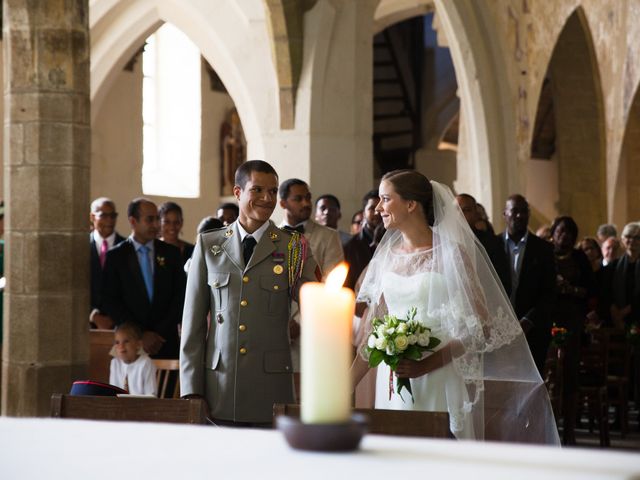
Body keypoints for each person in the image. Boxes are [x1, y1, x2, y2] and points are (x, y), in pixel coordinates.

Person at [350, 170, 558, 443]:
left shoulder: (451, 253)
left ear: (411, 204)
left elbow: (480, 326)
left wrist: (426, 365)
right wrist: (345, 386)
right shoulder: (386, 256)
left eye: (386, 199)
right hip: (394, 379)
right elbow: (371, 331)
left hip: (438, 374)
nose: (378, 208)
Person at [180, 160, 318, 426]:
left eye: (273, 191)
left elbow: (316, 303)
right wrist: (191, 389)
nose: (267, 199)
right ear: (238, 192)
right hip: (219, 386)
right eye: (257, 190)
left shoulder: (292, 247)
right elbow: (193, 323)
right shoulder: (210, 245)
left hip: (271, 388)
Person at [102, 198, 186, 358]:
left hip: (164, 342)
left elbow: (180, 296)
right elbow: (110, 300)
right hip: (131, 344)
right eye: (150, 219)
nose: (156, 225)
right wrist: (141, 334)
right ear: (133, 221)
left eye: (157, 219)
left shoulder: (171, 253)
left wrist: (157, 334)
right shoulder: (116, 256)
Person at [497, 194, 556, 375]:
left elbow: (549, 291)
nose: (519, 216)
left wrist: (528, 320)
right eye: (514, 211)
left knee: (530, 383)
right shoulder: (491, 245)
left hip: (533, 330)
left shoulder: (544, 249)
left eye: (524, 211)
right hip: (498, 328)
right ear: (505, 214)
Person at [549, 216, 596, 444]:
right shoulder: (545, 255)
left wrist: (571, 289)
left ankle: (569, 429)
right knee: (548, 374)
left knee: (569, 374)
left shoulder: (579, 259)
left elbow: (590, 290)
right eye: (560, 231)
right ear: (553, 233)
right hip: (548, 320)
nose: (564, 235)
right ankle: (547, 428)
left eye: (569, 232)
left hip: (572, 321)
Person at [89, 197, 126, 330]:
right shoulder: (80, 247)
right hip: (85, 324)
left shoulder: (126, 248)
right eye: (103, 215)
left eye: (113, 216)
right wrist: (94, 315)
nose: (109, 220)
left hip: (119, 325)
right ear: (92, 217)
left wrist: (114, 317)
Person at [343, 190, 382, 291]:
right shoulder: (350, 247)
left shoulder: (397, 240)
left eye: (381, 208)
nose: (377, 212)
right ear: (364, 213)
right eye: (372, 208)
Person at [109, 322, 157, 396]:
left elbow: (151, 394)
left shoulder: (146, 363)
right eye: (117, 342)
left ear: (138, 344)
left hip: (142, 405)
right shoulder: (115, 363)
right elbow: (113, 392)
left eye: (126, 341)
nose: (121, 346)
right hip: (119, 406)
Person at [158, 201, 195, 267]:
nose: (172, 226)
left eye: (176, 222)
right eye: (167, 222)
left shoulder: (191, 251)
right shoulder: (152, 250)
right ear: (159, 222)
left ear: (182, 222)